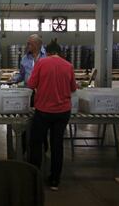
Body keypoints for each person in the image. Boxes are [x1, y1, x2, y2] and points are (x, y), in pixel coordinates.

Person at [27, 39, 76, 191]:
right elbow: (73, 88)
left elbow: (31, 84)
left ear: (47, 52)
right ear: (59, 53)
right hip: (63, 112)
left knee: (36, 143)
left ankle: (35, 178)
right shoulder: (68, 65)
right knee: (57, 144)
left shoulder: (41, 63)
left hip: (44, 111)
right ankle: (55, 180)